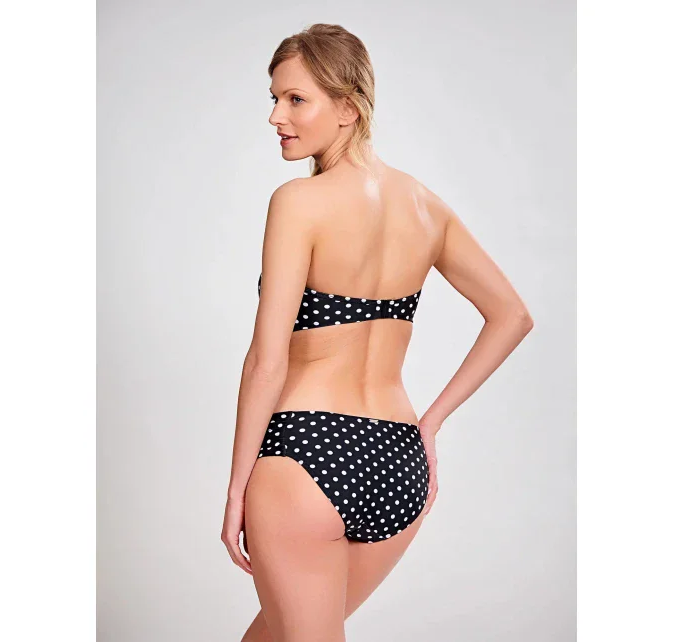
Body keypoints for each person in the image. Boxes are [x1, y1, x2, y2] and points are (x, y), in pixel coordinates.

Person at [221, 23, 534, 642]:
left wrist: (236, 491)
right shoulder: (426, 206)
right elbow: (512, 316)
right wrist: (429, 424)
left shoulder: (298, 201)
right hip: (397, 458)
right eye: (274, 98)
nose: (276, 116)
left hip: (306, 453)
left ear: (348, 107)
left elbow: (267, 362)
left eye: (296, 99)